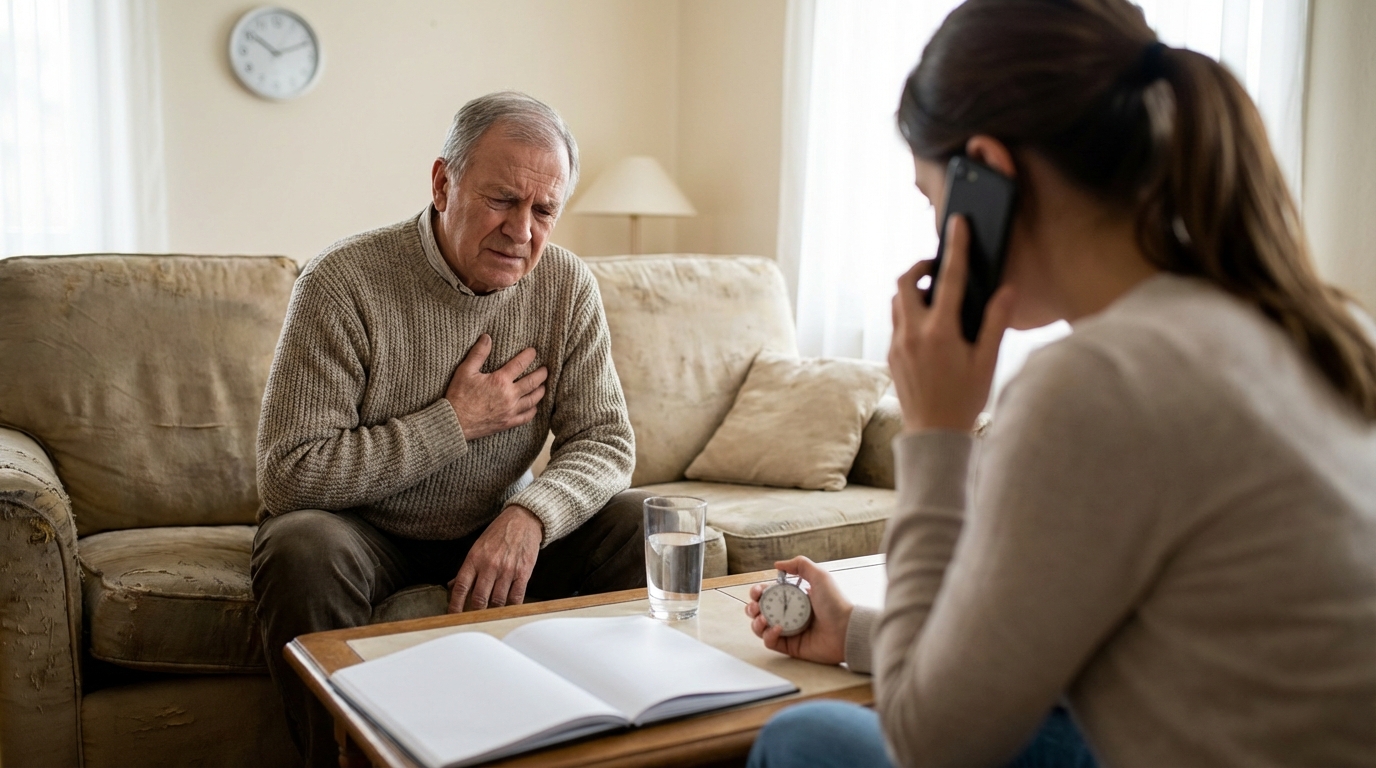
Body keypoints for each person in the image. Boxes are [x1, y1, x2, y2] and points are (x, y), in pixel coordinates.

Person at [745, 1, 1376, 766]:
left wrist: (936, 432)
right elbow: (1085, 626)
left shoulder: (1096, 384)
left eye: (931, 196)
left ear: (987, 174)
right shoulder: (1328, 326)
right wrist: (857, 634)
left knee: (805, 739)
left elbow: (931, 744)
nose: (934, 226)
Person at [251, 91, 648, 766]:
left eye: (543, 209)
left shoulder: (565, 287)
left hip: (493, 521)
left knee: (643, 519)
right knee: (301, 547)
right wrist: (454, 422)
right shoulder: (343, 282)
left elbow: (606, 442)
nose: (522, 230)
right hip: (361, 531)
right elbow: (290, 472)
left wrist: (530, 515)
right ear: (443, 184)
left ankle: (618, 746)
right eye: (502, 199)